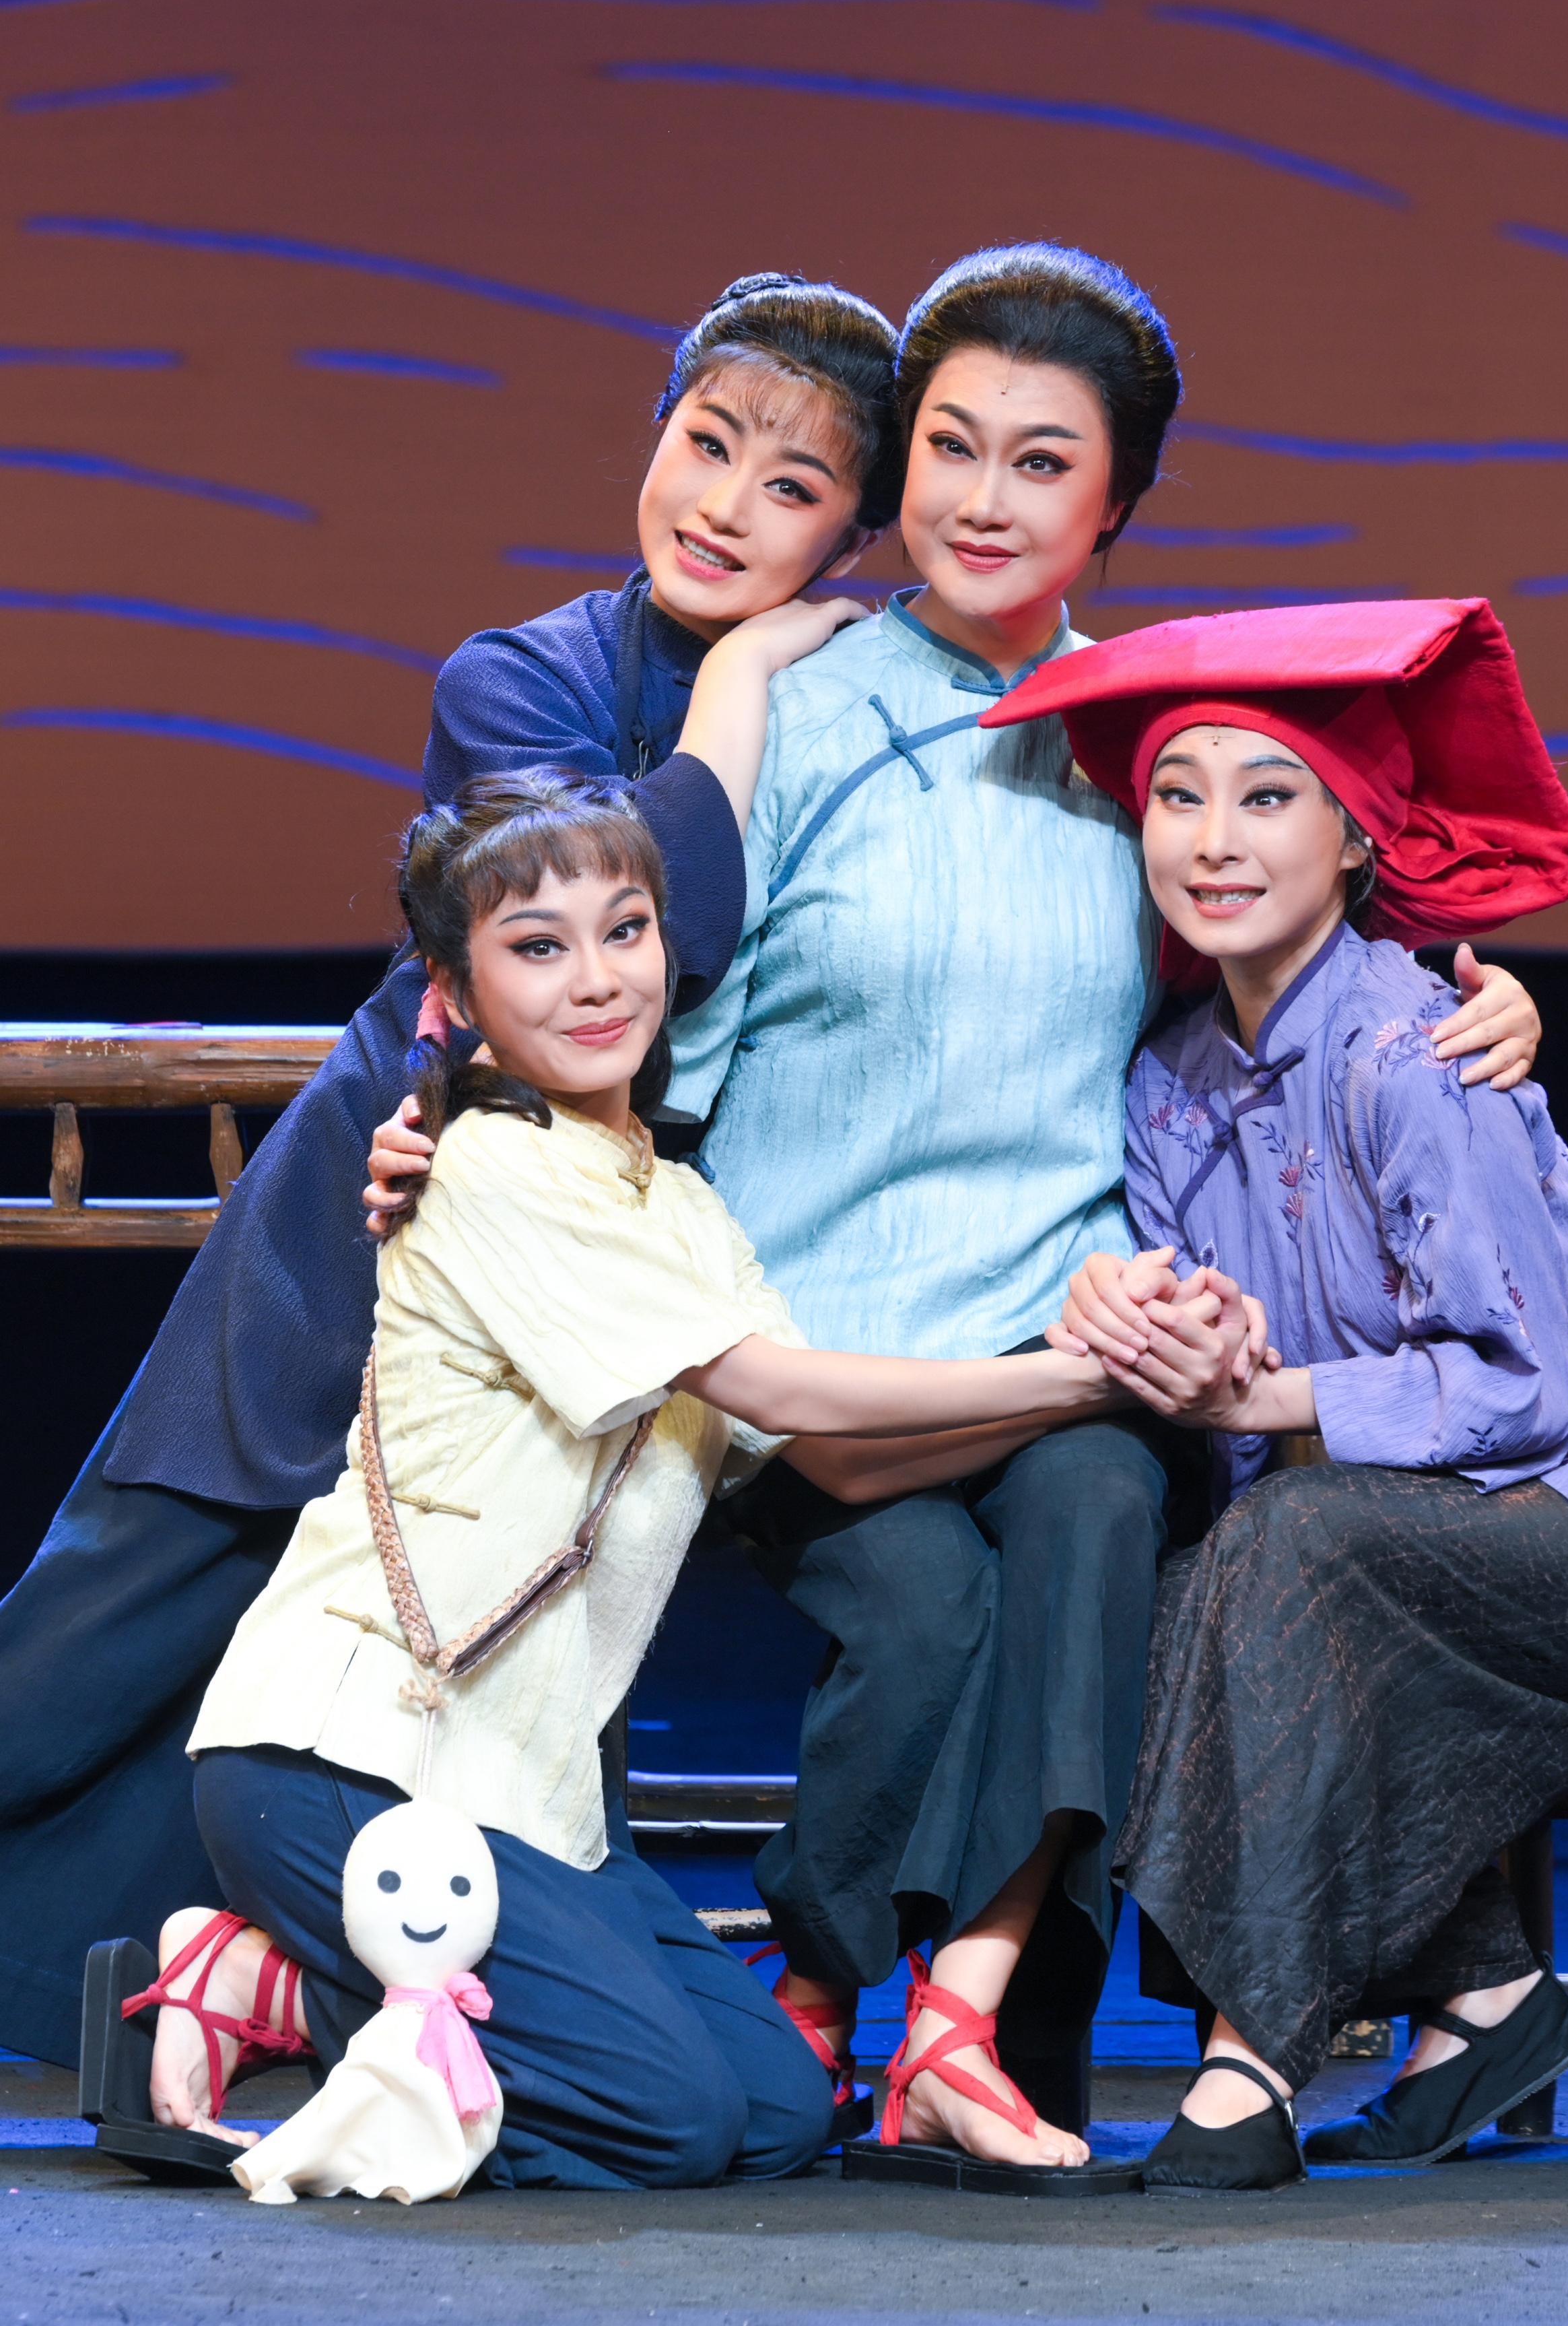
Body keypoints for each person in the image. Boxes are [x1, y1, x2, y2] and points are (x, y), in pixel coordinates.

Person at [368, 251, 1544, 2177]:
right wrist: (461, 1128)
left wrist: (1479, 992)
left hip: (1060, 1336)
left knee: (1100, 1508)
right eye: (950, 447)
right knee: (925, 1608)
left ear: (1117, 503)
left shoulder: (1143, 742)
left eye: (1043, 462)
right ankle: (833, 1977)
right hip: (814, 1355)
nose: (985, 500)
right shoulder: (798, 700)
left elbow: (1302, 936)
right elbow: (638, 1011)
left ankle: (955, 2018)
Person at [0, 273, 903, 2069]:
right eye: (706, 443)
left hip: (603, 1257)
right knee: (109, 1630)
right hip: (381, 1223)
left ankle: (309, 1992)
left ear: (853, 535)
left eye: (793, 485)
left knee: (516, 1643)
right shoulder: (522, 676)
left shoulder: (863, 703)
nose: (727, 504)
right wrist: (738, 680)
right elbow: (654, 922)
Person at [124, 768, 1127, 2192]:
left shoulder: (679, 1203)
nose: (598, 979)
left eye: (628, 929)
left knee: (777, 2111)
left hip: (527, 1802)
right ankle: (273, 1982)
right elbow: (780, 1391)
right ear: (455, 992)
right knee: (670, 2121)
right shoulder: (489, 1166)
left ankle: (318, 1990)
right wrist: (1080, 1378)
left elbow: (834, 1455)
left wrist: (1084, 1392)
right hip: (358, 1756)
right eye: (538, 945)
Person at [984, 597, 1568, 2189]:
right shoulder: (1168, 1083)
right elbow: (1230, 1376)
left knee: (1290, 1548)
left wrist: (1266, 1398)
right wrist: (1179, 1345)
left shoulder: (1418, 1054)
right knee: (1182, 1574)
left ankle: (1251, 2065)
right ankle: (1483, 1994)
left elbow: (1522, 1394)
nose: (1214, 839)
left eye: (1267, 797)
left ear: (1358, 840)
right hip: (1423, 1541)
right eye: (1178, 796)